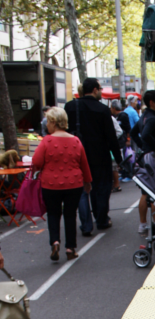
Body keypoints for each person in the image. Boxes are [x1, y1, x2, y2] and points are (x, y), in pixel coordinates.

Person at [31, 107, 92, 261]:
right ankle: (70, 248)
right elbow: (84, 163)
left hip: (50, 183)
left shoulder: (46, 141)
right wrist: (88, 181)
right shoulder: (75, 140)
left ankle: (55, 241)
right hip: (74, 183)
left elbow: (36, 162)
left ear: (52, 122)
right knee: (70, 214)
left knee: (53, 213)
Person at [65, 78, 122, 234]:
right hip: (100, 156)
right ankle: (101, 219)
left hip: (76, 156)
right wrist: (118, 159)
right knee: (101, 188)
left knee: (82, 191)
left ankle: (86, 225)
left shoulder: (70, 107)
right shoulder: (102, 109)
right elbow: (111, 137)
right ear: (95, 90)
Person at [131, 90, 155, 234]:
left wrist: (143, 147)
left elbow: (135, 133)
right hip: (152, 159)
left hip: (145, 157)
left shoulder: (144, 116)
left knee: (146, 192)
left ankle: (143, 223)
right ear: (152, 102)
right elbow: (145, 134)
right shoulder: (152, 119)